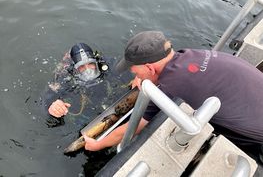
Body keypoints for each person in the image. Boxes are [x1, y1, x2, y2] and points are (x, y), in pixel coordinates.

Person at [83, 31, 263, 162]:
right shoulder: (188, 55)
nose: (131, 71)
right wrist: (144, 75)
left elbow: (135, 126)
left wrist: (98, 144)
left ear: (150, 67)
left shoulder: (170, 86)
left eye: (134, 68)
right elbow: (174, 75)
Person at [42, 43, 130, 128]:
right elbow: (48, 98)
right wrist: (53, 107)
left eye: (90, 64)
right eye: (82, 66)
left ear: (96, 61)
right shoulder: (65, 78)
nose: (88, 70)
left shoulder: (105, 64)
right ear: (75, 69)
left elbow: (127, 69)